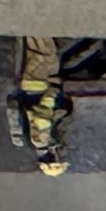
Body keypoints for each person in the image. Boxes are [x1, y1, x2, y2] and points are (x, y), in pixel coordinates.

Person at [7, 35, 73, 177]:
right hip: (35, 86)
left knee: (44, 54)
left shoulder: (42, 140)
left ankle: (33, 22)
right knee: (44, 54)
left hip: (37, 85)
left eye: (59, 159)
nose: (62, 154)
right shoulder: (41, 143)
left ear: (52, 159)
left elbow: (41, 115)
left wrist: (52, 95)